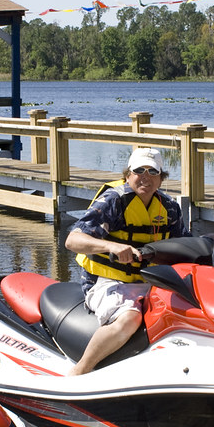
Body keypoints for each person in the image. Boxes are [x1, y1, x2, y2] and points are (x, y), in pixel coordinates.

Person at [64, 147, 190, 375]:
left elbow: (186, 244)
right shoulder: (113, 201)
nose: (145, 177)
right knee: (130, 319)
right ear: (127, 175)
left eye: (153, 172)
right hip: (106, 281)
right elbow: (73, 240)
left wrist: (212, 244)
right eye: (139, 170)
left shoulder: (170, 208)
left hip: (152, 281)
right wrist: (111, 246)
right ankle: (79, 372)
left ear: (161, 179)